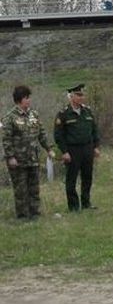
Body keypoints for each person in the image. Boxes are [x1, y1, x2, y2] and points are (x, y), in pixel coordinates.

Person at [2, 86, 55, 220]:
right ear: (20, 100)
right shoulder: (10, 117)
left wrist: (48, 149)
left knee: (34, 189)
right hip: (18, 160)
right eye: (26, 98)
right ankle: (23, 216)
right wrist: (10, 157)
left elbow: (41, 133)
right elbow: (6, 139)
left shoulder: (34, 114)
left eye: (29, 97)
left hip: (33, 158)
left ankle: (35, 214)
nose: (29, 100)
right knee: (21, 190)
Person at [54, 84, 101, 211]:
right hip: (72, 150)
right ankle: (74, 206)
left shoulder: (87, 111)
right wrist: (64, 152)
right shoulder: (64, 114)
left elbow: (94, 130)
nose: (81, 97)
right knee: (71, 179)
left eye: (82, 95)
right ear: (71, 97)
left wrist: (96, 146)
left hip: (87, 148)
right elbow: (58, 135)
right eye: (78, 95)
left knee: (87, 177)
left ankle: (86, 203)